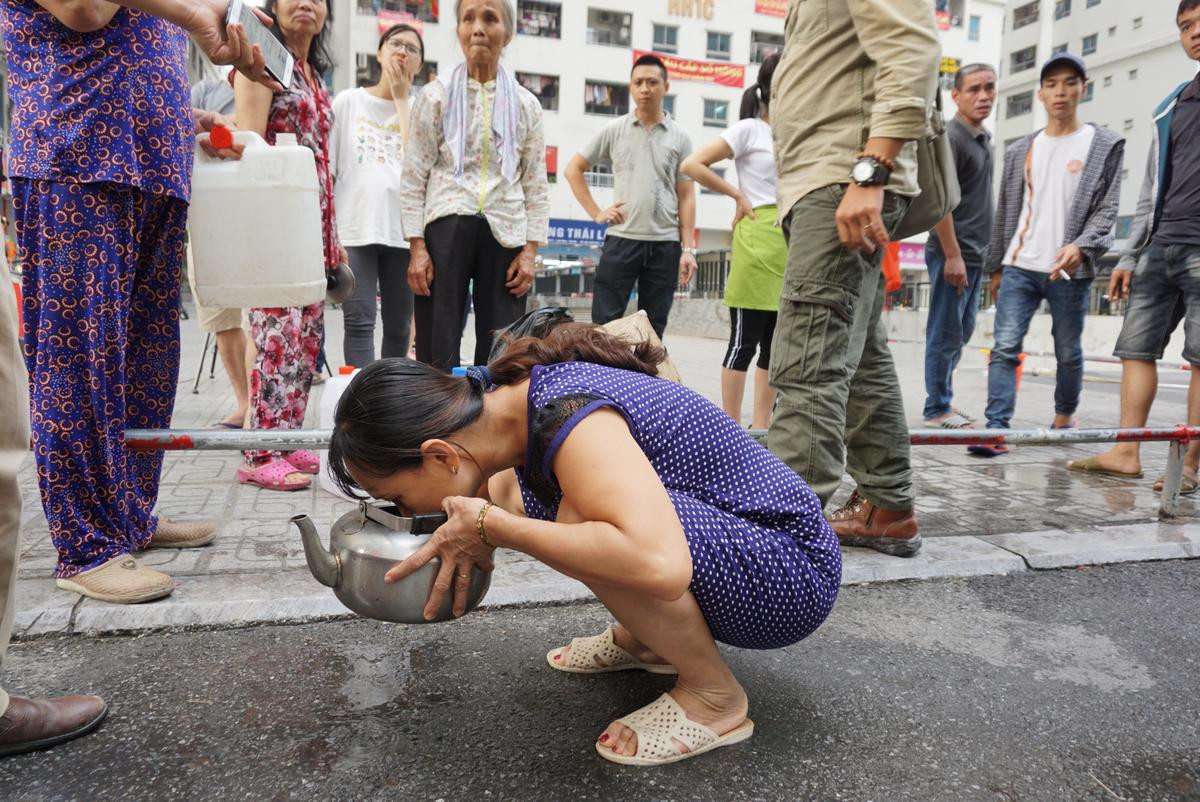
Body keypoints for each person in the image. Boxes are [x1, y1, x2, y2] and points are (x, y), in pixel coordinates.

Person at [327, 324, 841, 766]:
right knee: (543, 508)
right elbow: (502, 497)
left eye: (396, 497)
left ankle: (714, 697)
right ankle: (649, 640)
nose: (408, 513)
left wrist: (493, 527)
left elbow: (659, 566)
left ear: (440, 455)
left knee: (589, 522)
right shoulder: (514, 410)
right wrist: (484, 524)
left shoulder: (565, 413)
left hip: (792, 573)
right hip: (744, 545)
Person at [0, 0, 269, 755]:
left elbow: (129, 48)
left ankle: (127, 519)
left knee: (147, 363)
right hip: (77, 151)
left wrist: (190, 124)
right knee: (77, 361)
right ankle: (84, 548)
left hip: (147, 162)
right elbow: (83, 11)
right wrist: (197, 16)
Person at [768, 0, 939, 557]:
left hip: (842, 177)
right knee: (861, 353)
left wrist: (871, 170)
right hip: (828, 182)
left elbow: (912, 48)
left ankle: (780, 541)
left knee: (807, 361)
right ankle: (887, 505)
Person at [1069, 0, 1200, 491]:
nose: (1194, 32)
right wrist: (1129, 252)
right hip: (1161, 244)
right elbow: (1150, 189)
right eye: (1186, 26)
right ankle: (1127, 452)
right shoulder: (1171, 106)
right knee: (1135, 349)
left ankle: (1186, 467)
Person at [972, 53, 1124, 456]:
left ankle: (1064, 415)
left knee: (1066, 350)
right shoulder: (1023, 147)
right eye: (1052, 84)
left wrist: (1081, 246)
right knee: (1004, 347)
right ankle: (996, 428)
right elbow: (1006, 210)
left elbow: (1108, 208)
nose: (1060, 91)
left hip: (1069, 269)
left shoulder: (1102, 143)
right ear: (1040, 92)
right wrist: (996, 266)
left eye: (1069, 82)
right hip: (1020, 264)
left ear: (1082, 88)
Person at [400, 0, 548, 371]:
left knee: (503, 345)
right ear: (459, 32)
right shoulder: (435, 96)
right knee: (438, 338)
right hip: (446, 223)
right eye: (469, 19)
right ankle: (437, 419)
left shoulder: (526, 105)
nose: (478, 28)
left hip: (506, 230)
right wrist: (417, 247)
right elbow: (414, 174)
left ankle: (492, 420)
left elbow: (535, 181)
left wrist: (530, 252)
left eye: (490, 19)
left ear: (507, 34)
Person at [234, 0, 341, 491]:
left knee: (305, 340)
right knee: (277, 337)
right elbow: (247, 143)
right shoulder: (262, 63)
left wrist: (330, 239)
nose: (307, 3)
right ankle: (259, 452)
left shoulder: (312, 75)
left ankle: (287, 436)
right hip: (275, 222)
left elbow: (322, 164)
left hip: (311, 226)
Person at [681, 54, 783, 429]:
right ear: (770, 87)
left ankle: (762, 429)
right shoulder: (749, 130)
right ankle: (730, 428)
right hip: (756, 237)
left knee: (776, 346)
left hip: (790, 240)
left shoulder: (800, 132)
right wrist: (737, 195)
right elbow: (692, 165)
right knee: (744, 343)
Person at [564, 54, 697, 339]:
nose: (645, 88)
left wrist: (688, 249)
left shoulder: (681, 138)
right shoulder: (615, 130)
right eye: (638, 82)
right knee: (604, 324)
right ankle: (599, 381)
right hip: (621, 240)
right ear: (631, 87)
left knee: (653, 329)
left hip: (665, 245)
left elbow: (687, 196)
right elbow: (573, 169)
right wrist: (596, 213)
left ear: (666, 86)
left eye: (652, 82)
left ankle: (643, 382)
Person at [331, 23, 422, 367]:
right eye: (395, 43)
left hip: (404, 233)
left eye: (412, 49)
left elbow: (419, 168)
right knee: (359, 320)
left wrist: (401, 99)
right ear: (380, 53)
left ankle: (392, 405)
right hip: (355, 227)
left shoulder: (421, 108)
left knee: (399, 327)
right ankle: (362, 408)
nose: (402, 51)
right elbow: (332, 171)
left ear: (419, 64)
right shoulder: (348, 102)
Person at [922, 63, 996, 430]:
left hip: (975, 255)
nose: (983, 96)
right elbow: (939, 201)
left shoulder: (983, 138)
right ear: (956, 96)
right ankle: (936, 407)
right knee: (945, 331)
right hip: (953, 252)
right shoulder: (953, 138)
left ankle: (943, 399)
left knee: (961, 332)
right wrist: (952, 254)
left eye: (989, 88)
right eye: (974, 89)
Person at [188, 71, 253, 430]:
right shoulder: (208, 90)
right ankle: (243, 403)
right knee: (221, 317)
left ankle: (262, 405)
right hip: (208, 208)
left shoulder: (273, 84)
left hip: (254, 208)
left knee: (258, 315)